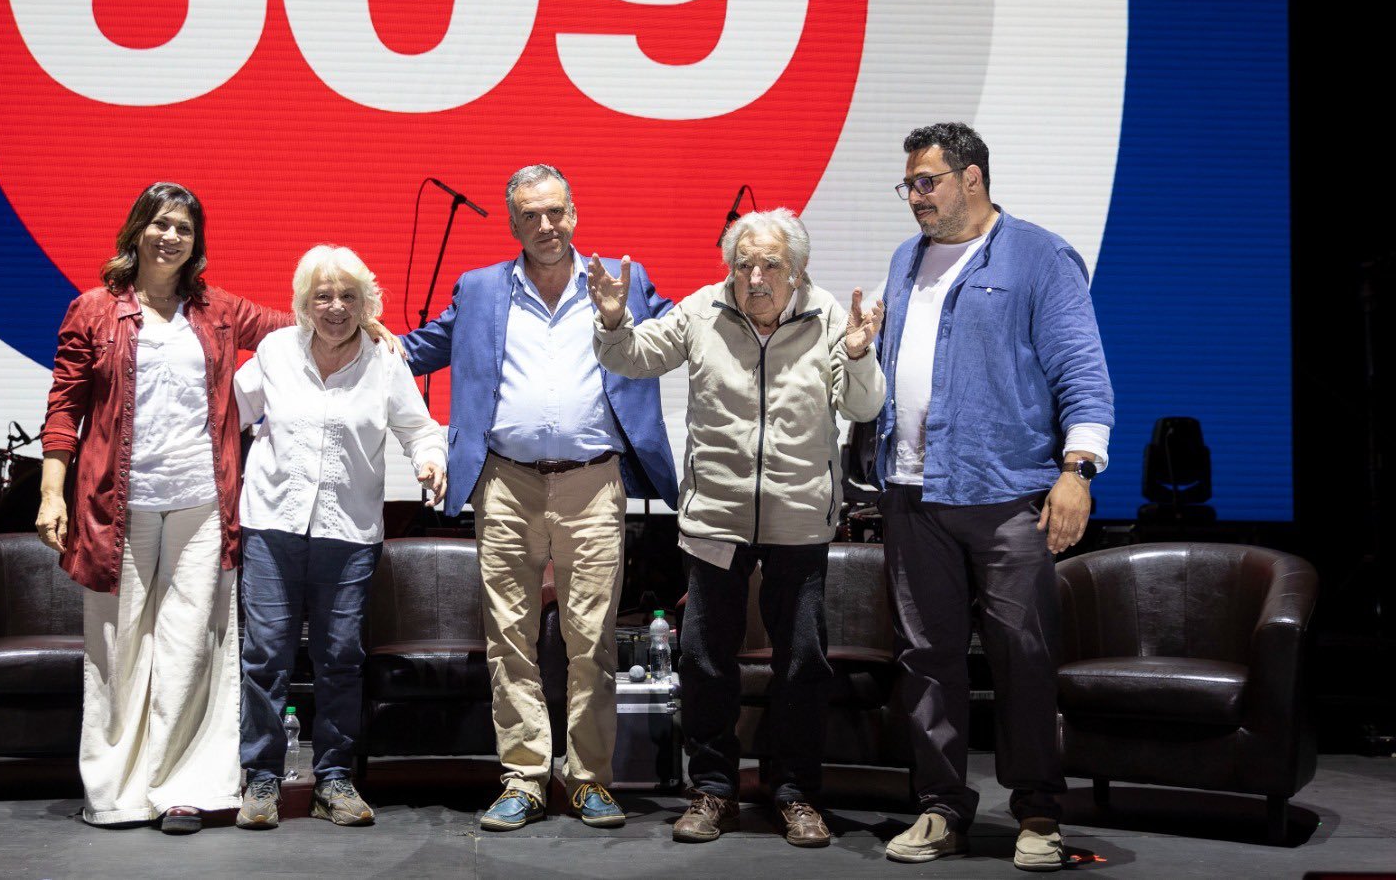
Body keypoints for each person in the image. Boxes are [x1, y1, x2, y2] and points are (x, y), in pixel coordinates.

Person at [589, 208, 885, 848]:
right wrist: (614, 321)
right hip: (715, 517)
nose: (754, 276)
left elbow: (862, 405)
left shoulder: (831, 316)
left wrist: (859, 356)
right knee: (704, 661)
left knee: (803, 661)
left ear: (797, 269)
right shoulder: (701, 311)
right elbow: (633, 359)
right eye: (743, 263)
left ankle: (796, 794)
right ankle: (712, 790)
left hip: (799, 519)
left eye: (769, 264)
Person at [402, 164, 677, 831]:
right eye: (531, 215)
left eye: (556, 212)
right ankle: (523, 777)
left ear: (575, 211)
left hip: (592, 481)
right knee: (510, 639)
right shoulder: (478, 289)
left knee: (593, 640)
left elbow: (684, 336)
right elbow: (412, 351)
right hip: (506, 482)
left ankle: (587, 779)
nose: (547, 226)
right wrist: (338, 333)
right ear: (513, 222)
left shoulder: (623, 280)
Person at [873, 123, 1113, 871]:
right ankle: (941, 808)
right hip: (913, 490)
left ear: (970, 178)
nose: (914, 196)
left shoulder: (1038, 255)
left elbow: (1082, 366)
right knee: (925, 658)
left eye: (926, 182)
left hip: (1008, 493)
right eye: (908, 184)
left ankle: (1039, 812)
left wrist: (1078, 469)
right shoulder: (902, 260)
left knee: (1024, 656)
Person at [36, 182, 295, 832]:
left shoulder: (218, 309)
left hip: (202, 504)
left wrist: (356, 310)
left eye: (183, 227)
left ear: (195, 241)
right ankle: (117, 791)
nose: (170, 236)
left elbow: (298, 328)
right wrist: (50, 490)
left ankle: (184, 788)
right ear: (136, 232)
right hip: (114, 504)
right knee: (118, 643)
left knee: (189, 645)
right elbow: (64, 407)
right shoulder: (94, 310)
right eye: (159, 224)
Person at [231, 246, 446, 831]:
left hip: (348, 533)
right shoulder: (274, 352)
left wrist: (430, 460)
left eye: (348, 296)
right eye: (323, 296)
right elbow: (228, 411)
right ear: (303, 303)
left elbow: (419, 427)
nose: (335, 307)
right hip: (273, 525)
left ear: (366, 303)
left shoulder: (384, 359)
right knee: (265, 658)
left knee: (340, 660)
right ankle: (262, 780)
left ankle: (333, 779)